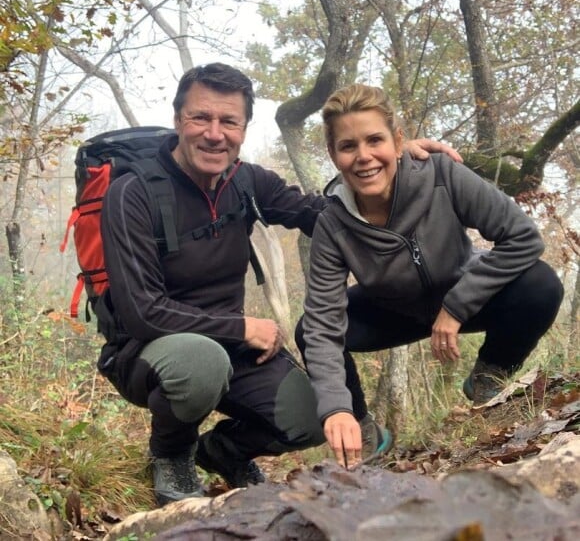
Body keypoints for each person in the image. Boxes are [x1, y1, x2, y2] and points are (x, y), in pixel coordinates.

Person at [100, 64, 463, 506]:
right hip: (147, 351)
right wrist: (242, 328)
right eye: (201, 118)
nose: (215, 134)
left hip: (229, 345)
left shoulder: (247, 182)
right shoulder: (133, 193)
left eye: (229, 121)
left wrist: (393, 169)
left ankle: (225, 451)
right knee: (202, 360)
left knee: (315, 413)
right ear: (179, 120)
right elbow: (141, 311)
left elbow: (326, 214)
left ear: (243, 129)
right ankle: (171, 454)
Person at [295, 83, 564, 469]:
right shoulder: (332, 225)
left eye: (375, 140)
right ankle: (365, 431)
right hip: (392, 311)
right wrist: (335, 408)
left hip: (461, 294)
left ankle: (490, 375)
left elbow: (522, 238)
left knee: (541, 283)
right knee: (309, 329)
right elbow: (323, 324)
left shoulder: (442, 175)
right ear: (333, 154)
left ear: (398, 140)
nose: (364, 156)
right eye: (348, 146)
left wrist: (455, 307)